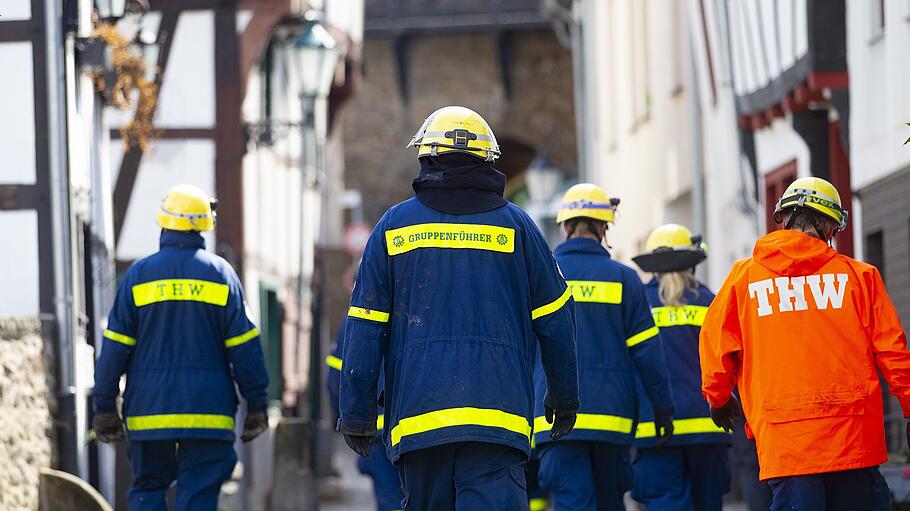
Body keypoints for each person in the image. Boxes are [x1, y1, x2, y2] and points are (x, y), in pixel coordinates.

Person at [337, 106, 580, 510]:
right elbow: (556, 320)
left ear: (426, 157)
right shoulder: (518, 229)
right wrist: (564, 395)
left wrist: (357, 413)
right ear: (487, 161)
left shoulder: (394, 228)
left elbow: (364, 327)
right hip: (497, 423)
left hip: (419, 424)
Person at [700, 176, 910, 510]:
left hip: (786, 443)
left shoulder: (744, 279)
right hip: (852, 440)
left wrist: (718, 398)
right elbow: (894, 352)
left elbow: (715, 343)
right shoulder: (859, 278)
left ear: (782, 219)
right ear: (828, 225)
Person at [92, 184, 270, 511]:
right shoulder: (221, 276)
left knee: (148, 488)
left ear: (164, 222)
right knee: (199, 493)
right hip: (209, 413)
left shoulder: (138, 276)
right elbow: (246, 348)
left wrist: (104, 404)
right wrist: (257, 403)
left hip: (149, 412)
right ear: (204, 224)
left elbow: (115, 345)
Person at [532, 183, 675, 511]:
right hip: (612, 419)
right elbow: (648, 354)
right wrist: (663, 408)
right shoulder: (625, 279)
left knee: (571, 503)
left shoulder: (541, 276)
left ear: (566, 227)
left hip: (553, 420)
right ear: (603, 228)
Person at [630, 224, 731, 510]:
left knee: (665, 503)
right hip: (707, 425)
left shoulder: (638, 304)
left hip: (655, 428)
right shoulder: (710, 302)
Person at [326, 320, 404, 511]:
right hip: (415, 426)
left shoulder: (353, 321)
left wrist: (344, 419)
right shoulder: (416, 310)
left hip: (376, 432)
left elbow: (337, 378)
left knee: (392, 501)